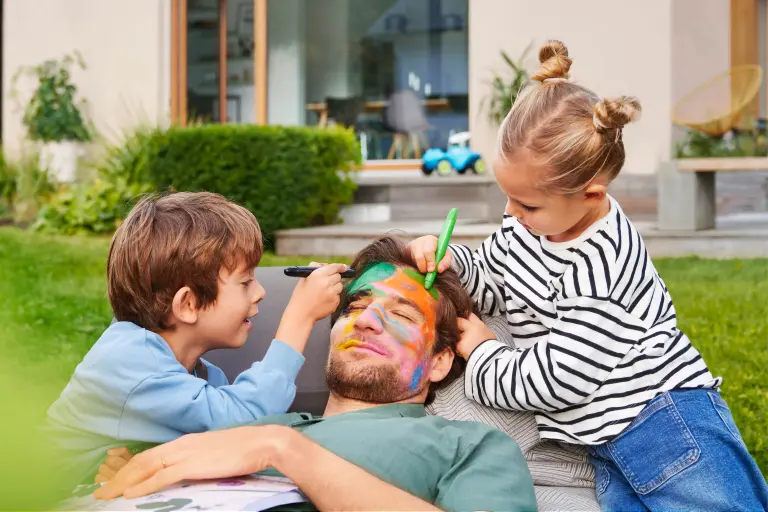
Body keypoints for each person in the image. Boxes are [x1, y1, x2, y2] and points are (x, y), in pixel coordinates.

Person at [408, 40, 768, 511]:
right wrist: (453, 261)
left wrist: (482, 354)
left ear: (591, 194)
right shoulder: (530, 223)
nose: (512, 214)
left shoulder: (602, 263)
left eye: (527, 204)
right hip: (601, 443)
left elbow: (558, 378)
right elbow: (498, 274)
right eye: (508, 199)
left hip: (661, 422)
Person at [92, 235, 537, 512]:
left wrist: (287, 453)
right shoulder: (249, 422)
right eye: (357, 307)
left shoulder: (469, 446)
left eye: (399, 315)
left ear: (440, 361)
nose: (364, 321)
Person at [45, 191, 348, 487]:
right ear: (188, 305)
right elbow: (244, 425)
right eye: (245, 282)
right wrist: (299, 318)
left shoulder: (198, 374)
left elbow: (220, 447)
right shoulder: (129, 360)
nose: (260, 292)